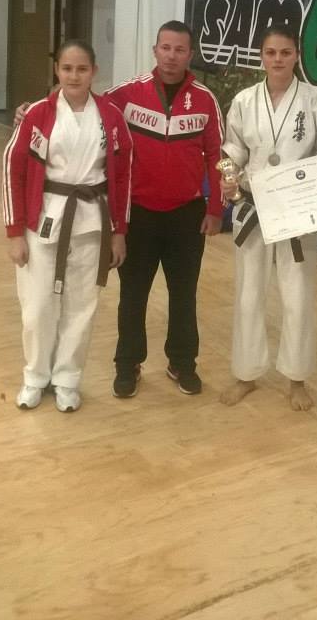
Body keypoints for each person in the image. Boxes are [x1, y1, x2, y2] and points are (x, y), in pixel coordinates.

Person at [219, 25, 317, 411]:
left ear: (296, 56)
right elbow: (231, 151)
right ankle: (246, 373)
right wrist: (228, 178)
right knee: (248, 294)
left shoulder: (316, 101)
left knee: (298, 295)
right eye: (271, 52)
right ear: (262, 56)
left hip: (298, 209)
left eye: (285, 52)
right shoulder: (245, 100)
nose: (278, 59)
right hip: (253, 207)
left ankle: (296, 379)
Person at [3, 40, 132, 412]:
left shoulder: (111, 116)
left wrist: (119, 231)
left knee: (81, 306)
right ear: (56, 70)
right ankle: (35, 376)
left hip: (92, 220)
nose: (74, 76)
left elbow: (123, 176)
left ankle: (67, 379)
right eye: (67, 68)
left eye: (82, 69)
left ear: (94, 72)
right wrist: (14, 232)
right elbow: (14, 169)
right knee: (37, 306)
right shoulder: (38, 114)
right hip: (43, 218)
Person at [106, 21, 223, 398]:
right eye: (166, 48)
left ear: (190, 54)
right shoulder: (126, 94)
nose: (172, 56)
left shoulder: (205, 100)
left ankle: (182, 363)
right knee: (133, 295)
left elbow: (217, 157)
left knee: (184, 294)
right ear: (155, 50)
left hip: (187, 215)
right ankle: (127, 365)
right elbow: (81, 103)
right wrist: (36, 107)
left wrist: (216, 207)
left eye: (180, 49)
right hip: (138, 215)